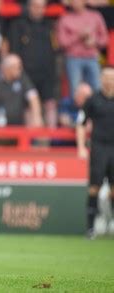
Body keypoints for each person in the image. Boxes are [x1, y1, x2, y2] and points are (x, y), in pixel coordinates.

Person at [76, 67, 114, 239]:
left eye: (111, 77)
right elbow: (81, 123)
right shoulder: (92, 100)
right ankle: (90, 227)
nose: (108, 80)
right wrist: (81, 146)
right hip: (98, 147)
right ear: (100, 79)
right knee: (94, 187)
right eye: (105, 77)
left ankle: (111, 223)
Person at [8, 0, 58, 128]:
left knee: (50, 104)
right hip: (27, 73)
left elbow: (55, 49)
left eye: (41, 7)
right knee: (29, 105)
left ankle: (50, 140)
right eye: (35, 6)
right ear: (29, 7)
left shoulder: (49, 25)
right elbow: (14, 50)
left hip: (47, 72)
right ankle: (30, 141)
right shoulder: (19, 25)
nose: (38, 10)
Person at [56, 0, 108, 100]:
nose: (76, 2)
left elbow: (104, 39)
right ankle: (77, 114)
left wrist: (94, 41)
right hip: (73, 58)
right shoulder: (65, 19)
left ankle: (96, 114)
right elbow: (62, 43)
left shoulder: (95, 16)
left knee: (97, 88)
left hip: (92, 58)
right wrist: (79, 36)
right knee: (75, 91)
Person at [0, 54, 43, 128]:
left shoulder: (22, 78)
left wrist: (37, 116)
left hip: (19, 125)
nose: (20, 69)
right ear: (7, 68)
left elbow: (33, 96)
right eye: (18, 67)